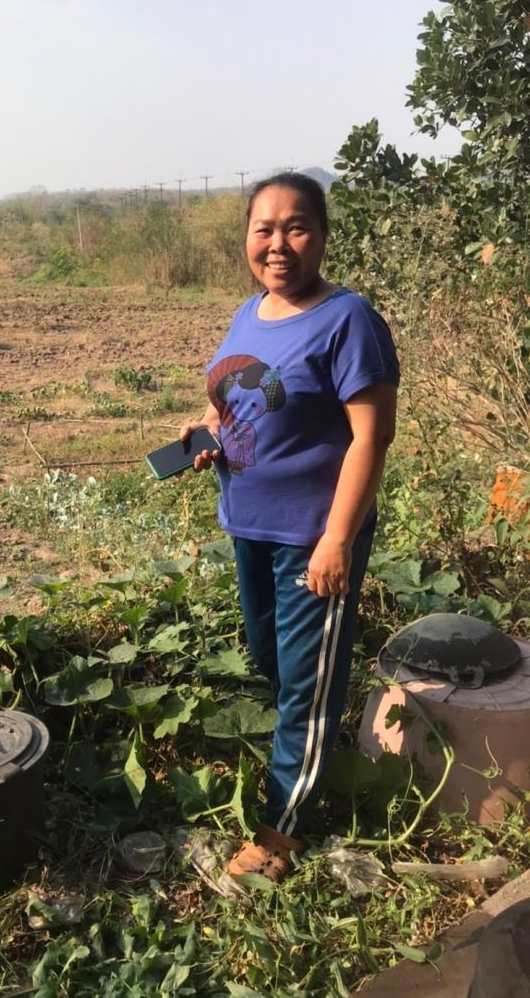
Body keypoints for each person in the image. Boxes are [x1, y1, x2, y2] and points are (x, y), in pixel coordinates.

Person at [180, 172, 399, 882]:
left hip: (312, 534)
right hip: (249, 526)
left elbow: (371, 438)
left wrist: (337, 539)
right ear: (247, 238)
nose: (278, 244)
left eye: (296, 227)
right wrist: (206, 432)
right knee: (273, 660)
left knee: (303, 687)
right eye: (264, 229)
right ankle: (313, 750)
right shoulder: (250, 312)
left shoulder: (348, 320)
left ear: (323, 235)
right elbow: (230, 400)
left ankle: (282, 833)